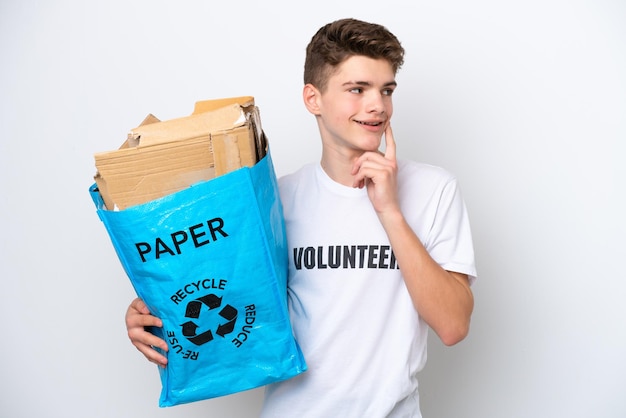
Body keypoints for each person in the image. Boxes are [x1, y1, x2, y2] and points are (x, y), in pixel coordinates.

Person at [125, 17, 476, 417]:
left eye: (386, 90)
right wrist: (154, 315)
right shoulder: (278, 200)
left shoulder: (433, 190)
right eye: (357, 89)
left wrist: (390, 212)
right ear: (313, 99)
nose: (377, 105)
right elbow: (227, 301)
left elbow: (453, 325)